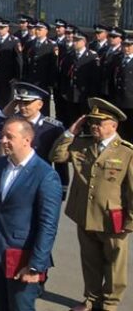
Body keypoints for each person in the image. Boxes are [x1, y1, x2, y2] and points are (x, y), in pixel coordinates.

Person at [51, 98, 133, 311]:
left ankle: (109, 304)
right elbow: (57, 155)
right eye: (92, 122)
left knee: (115, 265)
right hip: (84, 214)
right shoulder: (83, 145)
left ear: (113, 125)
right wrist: (71, 132)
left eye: (99, 123)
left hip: (112, 217)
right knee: (90, 261)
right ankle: (91, 299)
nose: (94, 126)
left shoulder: (126, 152)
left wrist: (130, 221)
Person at [0, 118, 61, 311]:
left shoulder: (45, 175)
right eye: (3, 135)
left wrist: (36, 266)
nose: (3, 140)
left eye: (9, 136)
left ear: (26, 140)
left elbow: (48, 225)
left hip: (22, 258)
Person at [58, 31, 100, 127]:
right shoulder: (69, 55)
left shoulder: (92, 56)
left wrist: (92, 95)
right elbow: (64, 75)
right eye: (74, 40)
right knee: (71, 118)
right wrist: (64, 91)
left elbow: (95, 78)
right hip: (71, 93)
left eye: (77, 40)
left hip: (84, 94)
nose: (74, 43)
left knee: (84, 118)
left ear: (84, 42)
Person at [22, 21, 57, 116]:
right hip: (30, 80)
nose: (37, 31)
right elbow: (25, 62)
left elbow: (53, 66)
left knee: (43, 106)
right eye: (36, 29)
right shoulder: (29, 44)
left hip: (43, 82)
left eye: (40, 29)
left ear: (46, 31)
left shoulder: (51, 45)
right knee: (30, 104)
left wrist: (51, 83)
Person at [0, 18, 21, 109]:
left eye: (2, 28)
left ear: (7, 28)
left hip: (8, 77)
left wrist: (17, 77)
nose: (0, 30)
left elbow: (18, 61)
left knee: (7, 102)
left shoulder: (14, 41)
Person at [109, 35, 133, 141]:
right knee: (120, 129)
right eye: (124, 45)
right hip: (118, 100)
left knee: (130, 130)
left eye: (129, 45)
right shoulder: (118, 58)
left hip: (131, 102)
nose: (126, 48)